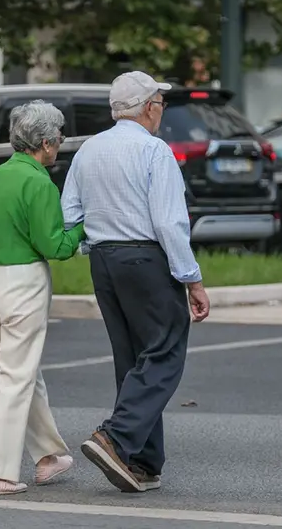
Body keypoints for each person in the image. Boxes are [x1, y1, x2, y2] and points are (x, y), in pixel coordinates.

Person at [60, 71, 211, 493]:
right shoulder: (154, 150)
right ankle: (116, 437)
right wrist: (192, 280)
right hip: (145, 257)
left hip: (104, 261)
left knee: (132, 359)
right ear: (148, 107)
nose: (161, 109)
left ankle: (143, 461)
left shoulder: (89, 150)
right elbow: (169, 221)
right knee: (164, 351)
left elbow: (70, 213)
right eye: (160, 102)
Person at [0, 99, 86, 497]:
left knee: (19, 373)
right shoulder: (39, 182)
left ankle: (49, 456)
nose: (60, 144)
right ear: (44, 143)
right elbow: (55, 246)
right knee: (15, 378)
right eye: (58, 138)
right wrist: (83, 228)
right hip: (22, 283)